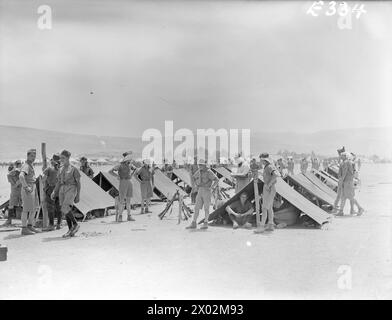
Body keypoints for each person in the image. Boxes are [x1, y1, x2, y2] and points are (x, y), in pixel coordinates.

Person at [52, 150, 81, 238]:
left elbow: (78, 183)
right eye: (60, 158)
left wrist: (78, 195)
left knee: (65, 207)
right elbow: (58, 182)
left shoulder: (74, 169)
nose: (61, 160)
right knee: (64, 209)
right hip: (62, 189)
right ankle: (70, 229)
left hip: (71, 188)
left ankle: (75, 224)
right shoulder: (60, 169)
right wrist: (54, 191)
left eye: (63, 158)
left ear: (68, 158)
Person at [186, 159, 219, 230]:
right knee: (196, 207)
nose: (200, 166)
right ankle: (194, 223)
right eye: (199, 165)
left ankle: (206, 223)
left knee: (206, 208)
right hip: (200, 190)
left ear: (204, 165)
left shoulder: (209, 172)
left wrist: (212, 188)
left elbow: (216, 180)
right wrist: (195, 186)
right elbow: (194, 178)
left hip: (207, 190)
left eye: (201, 165)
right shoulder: (198, 171)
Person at [19, 149, 41, 235]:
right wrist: (26, 186)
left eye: (34, 156)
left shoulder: (30, 165)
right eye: (32, 156)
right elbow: (21, 176)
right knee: (26, 209)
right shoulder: (26, 165)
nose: (33, 158)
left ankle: (30, 226)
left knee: (34, 208)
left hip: (33, 186)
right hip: (28, 188)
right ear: (27, 156)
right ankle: (24, 229)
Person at [109, 154, 135, 222]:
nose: (130, 161)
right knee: (122, 201)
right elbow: (110, 171)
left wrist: (131, 175)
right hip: (122, 182)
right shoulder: (119, 165)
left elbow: (135, 169)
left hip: (129, 182)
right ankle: (120, 216)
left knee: (129, 201)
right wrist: (117, 176)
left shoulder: (130, 165)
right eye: (129, 160)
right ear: (126, 160)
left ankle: (129, 216)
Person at [258, 153, 280, 232]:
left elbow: (276, 175)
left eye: (261, 159)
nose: (260, 161)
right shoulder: (267, 167)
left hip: (269, 188)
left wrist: (269, 185)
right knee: (269, 208)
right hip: (269, 188)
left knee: (264, 208)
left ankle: (261, 227)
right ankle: (270, 225)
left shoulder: (269, 166)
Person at [42, 154, 62, 231]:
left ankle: (51, 225)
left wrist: (44, 187)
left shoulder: (49, 168)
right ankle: (59, 224)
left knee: (50, 207)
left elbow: (43, 179)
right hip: (59, 189)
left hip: (51, 189)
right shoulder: (61, 168)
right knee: (59, 207)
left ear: (53, 160)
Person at [3, 160, 22, 226]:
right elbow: (14, 184)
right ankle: (9, 220)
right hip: (14, 192)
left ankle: (25, 221)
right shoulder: (9, 175)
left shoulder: (20, 173)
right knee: (11, 205)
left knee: (24, 205)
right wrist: (18, 182)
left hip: (22, 191)